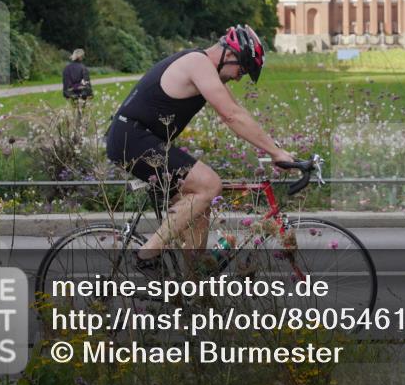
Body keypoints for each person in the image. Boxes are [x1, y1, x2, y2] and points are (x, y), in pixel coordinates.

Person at [105, 25, 294, 274]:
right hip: (131, 138)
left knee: (199, 210)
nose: (240, 77)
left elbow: (239, 113)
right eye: (243, 69)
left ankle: (193, 292)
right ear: (229, 54)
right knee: (209, 184)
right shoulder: (198, 63)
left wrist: (276, 149)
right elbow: (231, 116)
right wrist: (274, 153)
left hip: (140, 139)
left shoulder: (207, 70)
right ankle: (146, 255)